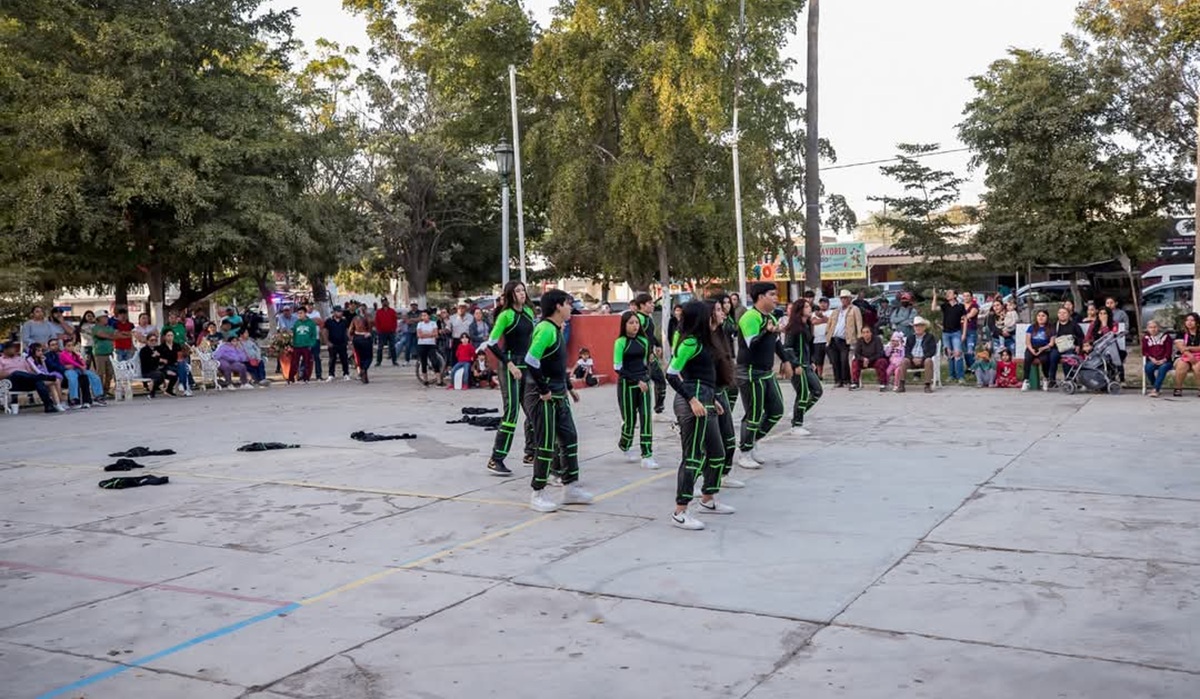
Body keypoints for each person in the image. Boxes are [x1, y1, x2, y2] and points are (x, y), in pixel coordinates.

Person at [666, 300, 737, 531]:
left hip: (706, 399)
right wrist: (693, 400)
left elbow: (704, 376)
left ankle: (707, 498)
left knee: (717, 453)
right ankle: (680, 512)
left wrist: (712, 400)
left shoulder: (705, 343)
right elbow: (672, 374)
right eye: (712, 313)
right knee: (692, 457)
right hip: (693, 403)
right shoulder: (690, 342)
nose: (716, 315)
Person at [524, 290, 592, 512]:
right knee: (545, 443)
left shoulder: (557, 330)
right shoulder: (545, 329)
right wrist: (543, 390)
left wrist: (569, 388)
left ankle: (570, 486)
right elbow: (531, 360)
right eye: (568, 304)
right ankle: (538, 493)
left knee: (569, 436)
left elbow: (555, 365)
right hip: (542, 396)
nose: (571, 308)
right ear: (557, 306)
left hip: (558, 393)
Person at [735, 282, 792, 469]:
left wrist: (786, 360)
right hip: (750, 372)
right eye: (772, 294)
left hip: (767, 372)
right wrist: (767, 332)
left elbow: (776, 343)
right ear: (760, 297)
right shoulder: (750, 317)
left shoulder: (770, 318)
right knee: (753, 414)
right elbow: (753, 345)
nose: (776, 298)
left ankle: (752, 440)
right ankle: (745, 452)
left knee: (776, 410)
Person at [483, 282, 538, 476]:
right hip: (510, 366)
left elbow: (532, 341)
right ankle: (496, 459)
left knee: (533, 409)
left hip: (527, 365)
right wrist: (509, 364)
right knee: (512, 413)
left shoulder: (530, 313)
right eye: (518, 291)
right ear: (510, 295)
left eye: (523, 290)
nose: (522, 293)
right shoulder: (505, 315)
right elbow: (491, 343)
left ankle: (530, 453)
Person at [613, 311, 657, 470]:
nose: (635, 326)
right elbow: (617, 367)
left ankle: (647, 455)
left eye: (637, 323)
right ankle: (624, 444)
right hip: (627, 385)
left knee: (646, 418)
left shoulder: (644, 341)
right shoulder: (620, 342)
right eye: (631, 323)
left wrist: (646, 377)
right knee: (630, 421)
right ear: (624, 325)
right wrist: (636, 381)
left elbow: (646, 363)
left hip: (644, 383)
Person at [784, 298, 822, 435]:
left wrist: (811, 360)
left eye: (809, 306)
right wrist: (795, 364)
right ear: (800, 310)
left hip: (806, 364)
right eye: (806, 306)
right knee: (803, 393)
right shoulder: (794, 327)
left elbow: (809, 346)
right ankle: (797, 425)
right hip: (798, 366)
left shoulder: (807, 325)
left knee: (817, 391)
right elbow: (787, 348)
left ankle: (797, 412)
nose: (809, 308)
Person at [632, 293, 667, 414]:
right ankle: (633, 414)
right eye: (650, 303)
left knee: (660, 381)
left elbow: (650, 336)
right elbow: (637, 338)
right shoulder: (639, 319)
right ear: (642, 305)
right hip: (644, 359)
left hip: (651, 356)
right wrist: (646, 354)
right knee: (643, 386)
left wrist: (657, 345)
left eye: (653, 302)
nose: (653, 305)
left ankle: (658, 411)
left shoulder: (648, 318)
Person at [0, 341, 59, 413]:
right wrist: (10, 373)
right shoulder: (1, 360)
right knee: (16, 373)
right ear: (5, 350)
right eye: (11, 348)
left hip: (26, 381)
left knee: (38, 382)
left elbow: (29, 371)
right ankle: (43, 377)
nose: (14, 350)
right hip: (12, 383)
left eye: (14, 348)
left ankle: (49, 406)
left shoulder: (21, 358)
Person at [50, 338, 105, 407]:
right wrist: (80, 367)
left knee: (93, 376)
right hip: (69, 370)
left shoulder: (75, 354)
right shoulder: (63, 354)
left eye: (72, 345)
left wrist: (84, 365)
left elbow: (80, 360)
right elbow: (71, 361)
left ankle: (98, 395)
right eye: (68, 345)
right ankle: (74, 398)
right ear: (65, 347)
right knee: (73, 378)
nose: (70, 347)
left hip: (77, 369)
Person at [826, 289, 862, 388]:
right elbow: (830, 324)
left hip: (845, 339)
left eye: (845, 298)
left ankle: (846, 379)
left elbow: (859, 324)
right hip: (833, 338)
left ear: (850, 299)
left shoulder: (855, 309)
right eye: (842, 298)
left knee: (844, 360)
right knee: (835, 361)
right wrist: (827, 334)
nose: (843, 300)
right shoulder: (836, 310)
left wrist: (859, 338)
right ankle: (838, 380)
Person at [933, 289, 966, 383]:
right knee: (949, 354)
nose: (947, 294)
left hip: (956, 332)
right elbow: (933, 308)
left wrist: (963, 333)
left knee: (958, 354)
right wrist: (935, 297)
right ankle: (951, 375)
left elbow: (965, 320)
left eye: (949, 293)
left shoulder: (960, 306)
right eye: (947, 293)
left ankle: (960, 377)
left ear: (955, 295)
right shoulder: (945, 306)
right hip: (946, 333)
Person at [1049, 306, 1084, 388]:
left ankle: (1070, 380)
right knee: (1052, 356)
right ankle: (1052, 380)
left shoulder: (1074, 325)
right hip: (1058, 347)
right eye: (1060, 313)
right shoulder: (1054, 325)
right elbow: (1051, 337)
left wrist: (1078, 345)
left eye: (1064, 313)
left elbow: (1080, 336)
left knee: (1068, 358)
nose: (1062, 315)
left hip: (1070, 347)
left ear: (1069, 315)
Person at [900, 316, 938, 393]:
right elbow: (907, 351)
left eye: (920, 326)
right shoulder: (910, 337)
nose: (918, 328)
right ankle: (901, 385)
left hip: (924, 359)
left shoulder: (930, 337)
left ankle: (927, 385)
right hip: (912, 360)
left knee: (928, 361)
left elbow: (932, 351)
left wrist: (922, 358)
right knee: (904, 361)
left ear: (924, 327)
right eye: (916, 326)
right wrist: (912, 358)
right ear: (913, 327)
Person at [26, 343, 68, 410]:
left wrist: (43, 362)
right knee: (56, 381)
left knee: (53, 384)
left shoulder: (40, 359)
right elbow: (37, 371)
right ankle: (60, 401)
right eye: (38, 351)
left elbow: (46, 371)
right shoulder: (29, 359)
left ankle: (57, 403)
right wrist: (47, 376)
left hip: (44, 377)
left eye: (41, 351)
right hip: (36, 379)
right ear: (33, 351)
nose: (40, 352)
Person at [137, 332, 177, 398]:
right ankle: (152, 392)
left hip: (159, 369)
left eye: (155, 340)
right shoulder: (144, 350)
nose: (153, 342)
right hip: (148, 371)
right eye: (151, 340)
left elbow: (164, 360)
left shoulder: (158, 349)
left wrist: (164, 366)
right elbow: (147, 362)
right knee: (160, 375)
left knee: (174, 374)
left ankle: (168, 390)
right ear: (147, 341)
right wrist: (156, 357)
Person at [1022, 310, 1053, 391]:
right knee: (1027, 358)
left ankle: (1045, 379)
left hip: (1044, 348)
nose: (1041, 317)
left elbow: (1051, 343)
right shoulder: (1031, 327)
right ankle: (1026, 380)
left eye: (1043, 316)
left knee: (1045, 360)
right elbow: (1027, 341)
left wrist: (1042, 349)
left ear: (1047, 317)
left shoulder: (1050, 328)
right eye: (1039, 315)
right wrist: (1031, 349)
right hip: (1032, 347)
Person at [849, 325, 887, 390]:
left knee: (882, 361)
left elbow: (880, 353)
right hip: (863, 361)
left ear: (871, 333)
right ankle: (855, 383)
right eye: (863, 333)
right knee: (855, 362)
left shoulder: (877, 340)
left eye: (867, 332)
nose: (865, 334)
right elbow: (856, 353)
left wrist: (869, 359)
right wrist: (863, 359)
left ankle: (882, 384)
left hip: (875, 360)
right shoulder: (860, 341)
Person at [1171, 312, 1200, 397]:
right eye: (1187, 320)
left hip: (1199, 356)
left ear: (1197, 322)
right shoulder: (1181, 333)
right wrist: (1190, 355)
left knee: (1198, 367)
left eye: (1192, 320)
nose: (1189, 322)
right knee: (1181, 365)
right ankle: (1178, 388)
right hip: (1182, 356)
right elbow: (1181, 348)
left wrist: (1189, 348)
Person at [1142, 320, 1173, 398]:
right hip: (1153, 360)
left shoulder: (1166, 337)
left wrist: (1163, 360)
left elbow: (1169, 351)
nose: (1153, 329)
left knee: (1162, 368)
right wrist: (1152, 359)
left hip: (1165, 360)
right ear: (1147, 328)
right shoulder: (1146, 338)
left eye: (1155, 327)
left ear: (1158, 328)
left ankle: (1155, 389)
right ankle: (1155, 385)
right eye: (1150, 327)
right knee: (1148, 368)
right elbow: (1144, 351)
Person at [288, 307, 319, 383]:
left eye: (301, 313)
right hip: (297, 346)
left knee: (307, 362)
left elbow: (314, 335)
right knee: (294, 362)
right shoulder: (297, 323)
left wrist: (311, 344)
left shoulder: (311, 323)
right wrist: (292, 344)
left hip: (307, 345)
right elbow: (294, 334)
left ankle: (306, 378)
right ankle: (291, 378)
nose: (299, 315)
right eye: (298, 313)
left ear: (305, 313)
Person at [160, 329, 195, 395]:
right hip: (166, 367)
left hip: (176, 365)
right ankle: (187, 386)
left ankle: (182, 385)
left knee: (182, 365)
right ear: (164, 337)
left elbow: (180, 357)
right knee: (183, 367)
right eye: (168, 335)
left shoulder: (177, 346)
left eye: (171, 335)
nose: (170, 337)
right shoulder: (161, 347)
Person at [91, 311, 117, 397]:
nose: (106, 319)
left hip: (109, 352)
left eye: (106, 317)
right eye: (104, 317)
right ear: (99, 319)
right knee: (100, 373)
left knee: (110, 373)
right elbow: (102, 335)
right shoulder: (95, 328)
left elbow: (115, 334)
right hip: (99, 353)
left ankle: (106, 390)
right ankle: (99, 391)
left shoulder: (109, 327)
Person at [414, 310, 442, 387]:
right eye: (422, 316)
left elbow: (436, 334)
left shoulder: (433, 323)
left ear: (428, 316)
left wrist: (425, 334)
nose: (424, 317)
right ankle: (425, 380)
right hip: (422, 345)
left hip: (431, 344)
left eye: (425, 315)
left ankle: (439, 380)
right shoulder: (420, 324)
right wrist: (430, 334)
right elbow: (419, 335)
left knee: (434, 361)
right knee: (423, 362)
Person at [1104, 297, 1130, 380]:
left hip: (1118, 339)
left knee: (1118, 358)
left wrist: (1121, 332)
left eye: (1111, 302)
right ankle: (1111, 378)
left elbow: (1126, 326)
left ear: (1116, 303)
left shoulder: (1121, 313)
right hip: (1105, 340)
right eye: (1107, 303)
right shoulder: (1103, 313)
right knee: (1108, 359)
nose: (1109, 305)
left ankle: (1122, 378)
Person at [324, 306, 352, 382]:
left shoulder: (344, 321)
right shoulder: (329, 321)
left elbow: (347, 331)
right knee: (332, 359)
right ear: (334, 312)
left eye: (341, 312)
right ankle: (331, 375)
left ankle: (346, 374)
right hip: (332, 343)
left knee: (344, 359)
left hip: (342, 343)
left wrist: (349, 340)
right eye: (338, 311)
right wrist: (327, 342)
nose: (340, 313)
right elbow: (325, 331)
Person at [349, 310, 374, 383]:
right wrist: (369, 332)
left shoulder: (355, 319)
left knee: (360, 357)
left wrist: (351, 339)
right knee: (368, 357)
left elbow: (350, 330)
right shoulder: (367, 318)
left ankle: (364, 376)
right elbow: (372, 325)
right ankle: (363, 370)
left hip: (356, 338)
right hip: (365, 337)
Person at [811, 297, 829, 380]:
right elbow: (813, 321)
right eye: (821, 302)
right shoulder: (814, 313)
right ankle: (819, 375)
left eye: (825, 302)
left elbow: (830, 321)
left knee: (832, 359)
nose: (823, 304)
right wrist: (824, 319)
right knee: (818, 360)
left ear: (828, 304)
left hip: (828, 340)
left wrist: (821, 317)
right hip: (817, 340)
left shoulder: (831, 312)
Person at [962, 291, 980, 370]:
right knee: (964, 350)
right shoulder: (961, 306)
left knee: (970, 350)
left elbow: (971, 314)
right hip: (961, 330)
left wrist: (962, 318)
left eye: (968, 296)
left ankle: (974, 368)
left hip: (971, 330)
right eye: (964, 296)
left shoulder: (974, 305)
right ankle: (969, 367)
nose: (966, 297)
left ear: (971, 297)